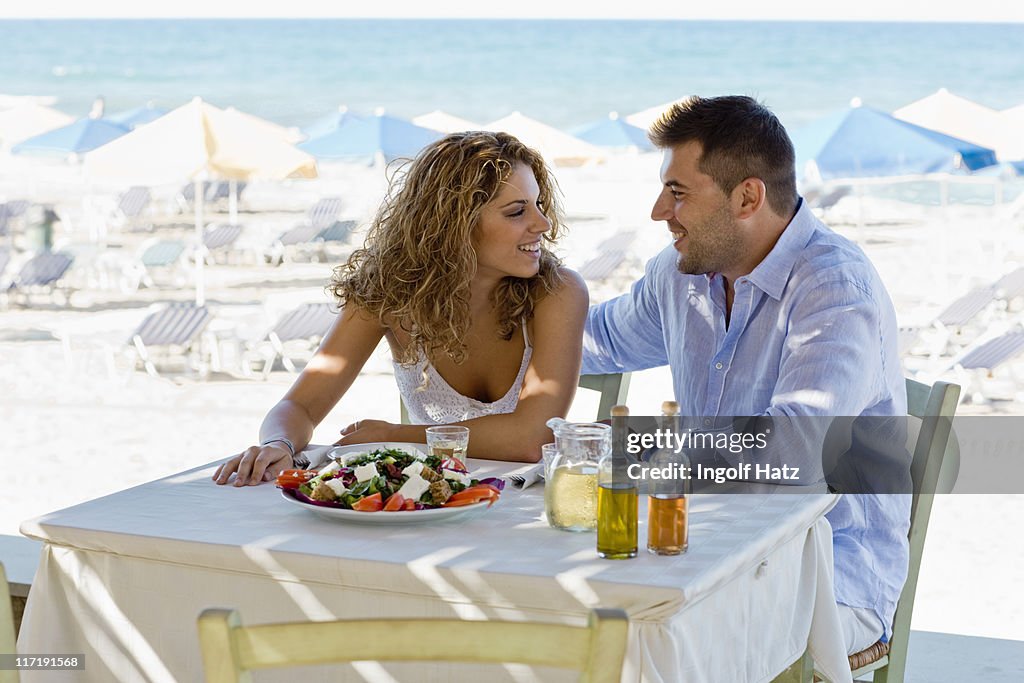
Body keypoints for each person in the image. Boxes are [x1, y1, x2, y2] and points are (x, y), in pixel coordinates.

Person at [582, 95, 908, 657]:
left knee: (649, 646)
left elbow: (792, 452)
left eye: (678, 192)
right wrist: (473, 316)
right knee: (586, 620)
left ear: (747, 196)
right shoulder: (683, 273)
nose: (660, 211)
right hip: (710, 548)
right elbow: (597, 339)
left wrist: (632, 448)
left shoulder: (835, 290)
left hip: (831, 578)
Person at [214, 131, 587, 487]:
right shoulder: (389, 295)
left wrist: (393, 436)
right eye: (517, 212)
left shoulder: (557, 293)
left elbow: (531, 438)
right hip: (428, 505)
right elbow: (299, 405)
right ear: (455, 224)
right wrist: (278, 445)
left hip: (524, 509)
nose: (544, 223)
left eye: (538, 204)